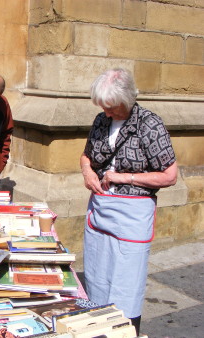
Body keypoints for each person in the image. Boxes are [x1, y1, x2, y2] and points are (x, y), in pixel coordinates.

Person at [80, 68, 178, 335]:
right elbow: (86, 156)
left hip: (132, 214)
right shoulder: (101, 120)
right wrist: (88, 172)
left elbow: (170, 175)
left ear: (127, 99)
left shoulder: (149, 124)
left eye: (111, 107)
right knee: (97, 275)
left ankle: (124, 331)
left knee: (126, 281)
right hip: (100, 210)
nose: (107, 112)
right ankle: (96, 327)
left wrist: (124, 177)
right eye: (103, 107)